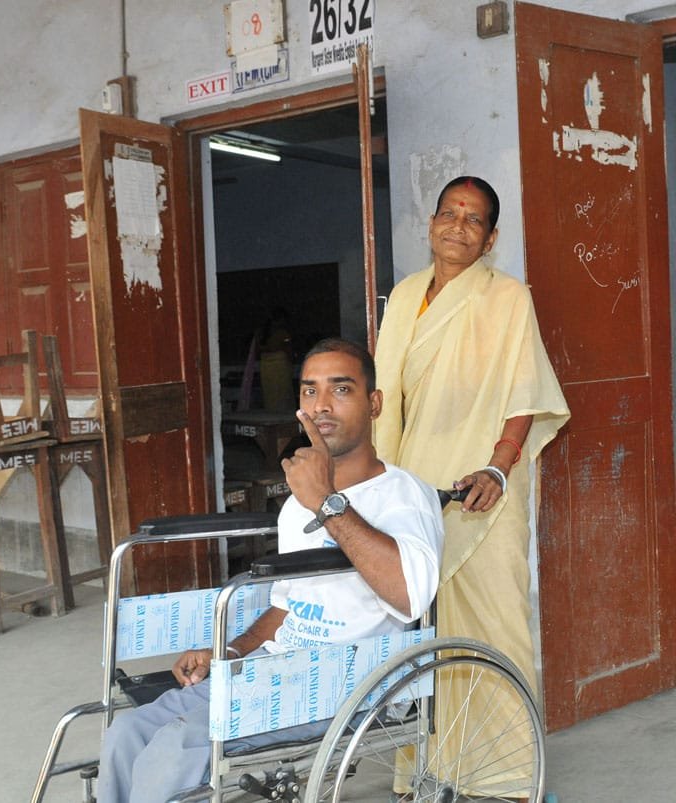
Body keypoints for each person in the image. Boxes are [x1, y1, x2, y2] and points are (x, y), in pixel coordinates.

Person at [97, 338, 445, 803]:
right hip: (271, 671)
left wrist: (326, 502)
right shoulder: (295, 505)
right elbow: (286, 605)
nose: (321, 405)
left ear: (374, 403)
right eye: (309, 391)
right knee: (128, 732)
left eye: (341, 390)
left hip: (343, 683)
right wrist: (233, 650)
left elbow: (410, 595)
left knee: (176, 746)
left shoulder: (405, 496)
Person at [373, 176, 570, 798]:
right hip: (415, 487)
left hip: (483, 487)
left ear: (490, 239)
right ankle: (425, 770)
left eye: (474, 219)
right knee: (421, 636)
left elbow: (524, 389)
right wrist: (378, 486)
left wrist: (498, 465)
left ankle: (511, 774)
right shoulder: (404, 297)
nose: (459, 225)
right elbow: (388, 399)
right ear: (431, 223)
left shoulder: (508, 297)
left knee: (495, 623)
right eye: (449, 213)